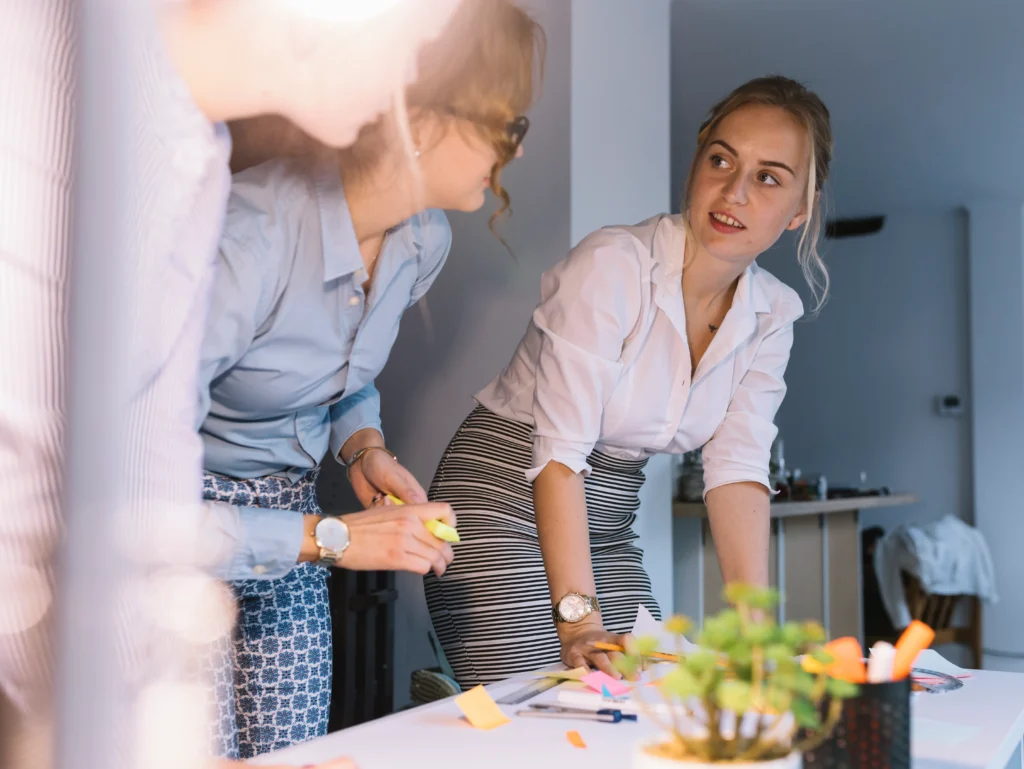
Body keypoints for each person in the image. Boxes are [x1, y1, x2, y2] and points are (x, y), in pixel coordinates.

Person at [0, 0, 465, 767]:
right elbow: (71, 509)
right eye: (412, 35)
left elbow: (143, 476)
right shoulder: (59, 100)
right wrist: (333, 537)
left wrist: (360, 448)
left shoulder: (194, 150)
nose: (410, 78)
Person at [196, 0, 543, 759]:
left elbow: (341, 369)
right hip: (184, 528)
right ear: (419, 119)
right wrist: (336, 537)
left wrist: (363, 446)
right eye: (507, 124)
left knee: (293, 752)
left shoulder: (424, 240)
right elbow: (126, 499)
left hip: (294, 518)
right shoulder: (245, 242)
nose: (515, 151)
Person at [424, 75, 834, 688]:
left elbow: (737, 470)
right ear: (696, 162)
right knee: (564, 701)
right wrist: (578, 621)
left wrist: (755, 634)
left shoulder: (772, 314)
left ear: (802, 209)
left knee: (648, 696)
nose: (734, 192)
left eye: (769, 177)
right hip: (501, 504)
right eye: (721, 160)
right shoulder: (613, 266)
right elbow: (560, 454)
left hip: (608, 527)